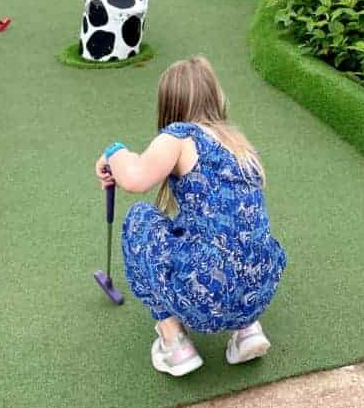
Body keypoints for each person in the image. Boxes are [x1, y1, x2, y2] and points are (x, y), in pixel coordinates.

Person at [94, 56, 287, 377]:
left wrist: (113, 153)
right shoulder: (238, 144)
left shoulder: (180, 136)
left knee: (140, 219)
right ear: (215, 97)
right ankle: (248, 330)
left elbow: (135, 179)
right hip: (260, 289)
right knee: (222, 231)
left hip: (208, 298)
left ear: (169, 104)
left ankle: (175, 344)